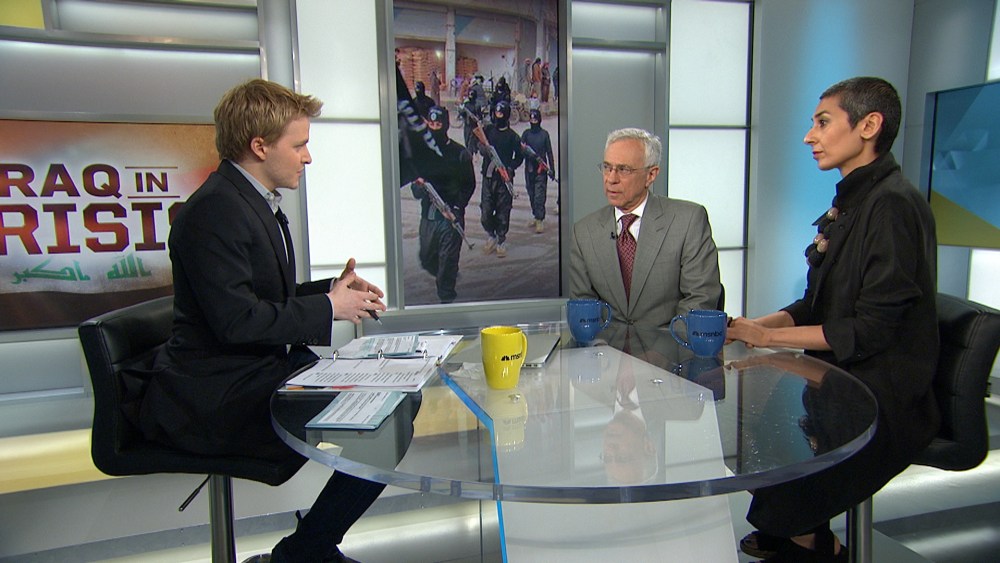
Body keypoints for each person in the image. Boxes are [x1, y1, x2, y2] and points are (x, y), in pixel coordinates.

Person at [129, 79, 388, 563]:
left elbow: (261, 298)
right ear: (260, 146)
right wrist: (328, 307)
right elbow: (237, 321)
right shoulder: (213, 211)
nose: (308, 157)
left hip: (250, 372)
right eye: (299, 145)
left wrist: (333, 291)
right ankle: (305, 553)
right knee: (383, 413)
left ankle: (307, 549)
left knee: (391, 399)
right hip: (215, 395)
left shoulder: (246, 200)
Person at [727, 76, 940, 562]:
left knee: (786, 469)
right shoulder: (854, 201)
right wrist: (753, 328)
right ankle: (795, 532)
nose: (810, 136)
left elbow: (870, 329)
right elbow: (817, 303)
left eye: (823, 123)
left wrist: (765, 338)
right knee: (761, 432)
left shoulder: (892, 205)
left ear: (869, 125)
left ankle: (818, 545)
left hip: (884, 392)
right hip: (841, 373)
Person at [569, 127, 722, 328]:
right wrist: (602, 347)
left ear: (651, 175)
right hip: (607, 346)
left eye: (624, 169)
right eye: (607, 167)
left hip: (670, 344)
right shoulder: (584, 232)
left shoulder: (688, 221)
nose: (611, 179)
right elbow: (583, 311)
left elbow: (700, 299)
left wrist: (667, 344)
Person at [401, 106, 476, 303]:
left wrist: (457, 207)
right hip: (429, 216)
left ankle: (446, 297)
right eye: (432, 124)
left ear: (446, 125)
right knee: (426, 259)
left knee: (447, 262)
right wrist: (419, 186)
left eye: (438, 124)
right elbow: (416, 191)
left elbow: (469, 184)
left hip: (450, 218)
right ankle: (446, 274)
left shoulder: (459, 153)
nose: (434, 128)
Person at [471, 100, 523, 258]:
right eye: (496, 113)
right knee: (485, 212)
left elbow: (519, 157)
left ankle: (500, 240)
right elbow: (478, 142)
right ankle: (491, 235)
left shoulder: (513, 137)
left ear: (506, 115)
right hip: (488, 178)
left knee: (503, 211)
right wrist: (484, 149)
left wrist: (510, 168)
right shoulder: (488, 130)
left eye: (501, 113)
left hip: (503, 181)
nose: (497, 116)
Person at [520, 109, 555, 233]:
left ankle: (540, 219)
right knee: (532, 194)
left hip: (541, 170)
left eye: (535, 119)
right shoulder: (526, 134)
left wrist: (552, 169)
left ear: (539, 120)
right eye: (531, 119)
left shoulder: (544, 134)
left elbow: (549, 152)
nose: (533, 121)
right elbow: (521, 149)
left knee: (539, 196)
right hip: (529, 169)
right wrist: (527, 154)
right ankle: (536, 216)